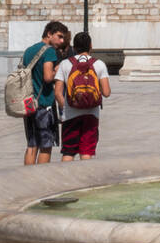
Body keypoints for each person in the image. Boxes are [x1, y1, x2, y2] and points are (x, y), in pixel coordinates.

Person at [54, 31, 111, 161]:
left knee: (68, 152)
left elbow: (57, 92)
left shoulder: (65, 64)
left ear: (74, 47)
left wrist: (67, 107)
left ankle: (66, 179)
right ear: (91, 46)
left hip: (70, 115)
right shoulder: (99, 64)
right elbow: (107, 93)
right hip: (91, 114)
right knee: (86, 151)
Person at [22, 21, 68, 165]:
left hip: (29, 103)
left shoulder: (29, 50)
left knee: (32, 144)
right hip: (44, 104)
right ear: (49, 34)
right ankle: (40, 179)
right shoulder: (49, 51)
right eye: (59, 37)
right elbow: (48, 77)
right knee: (46, 146)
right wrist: (58, 69)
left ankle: (27, 178)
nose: (61, 41)